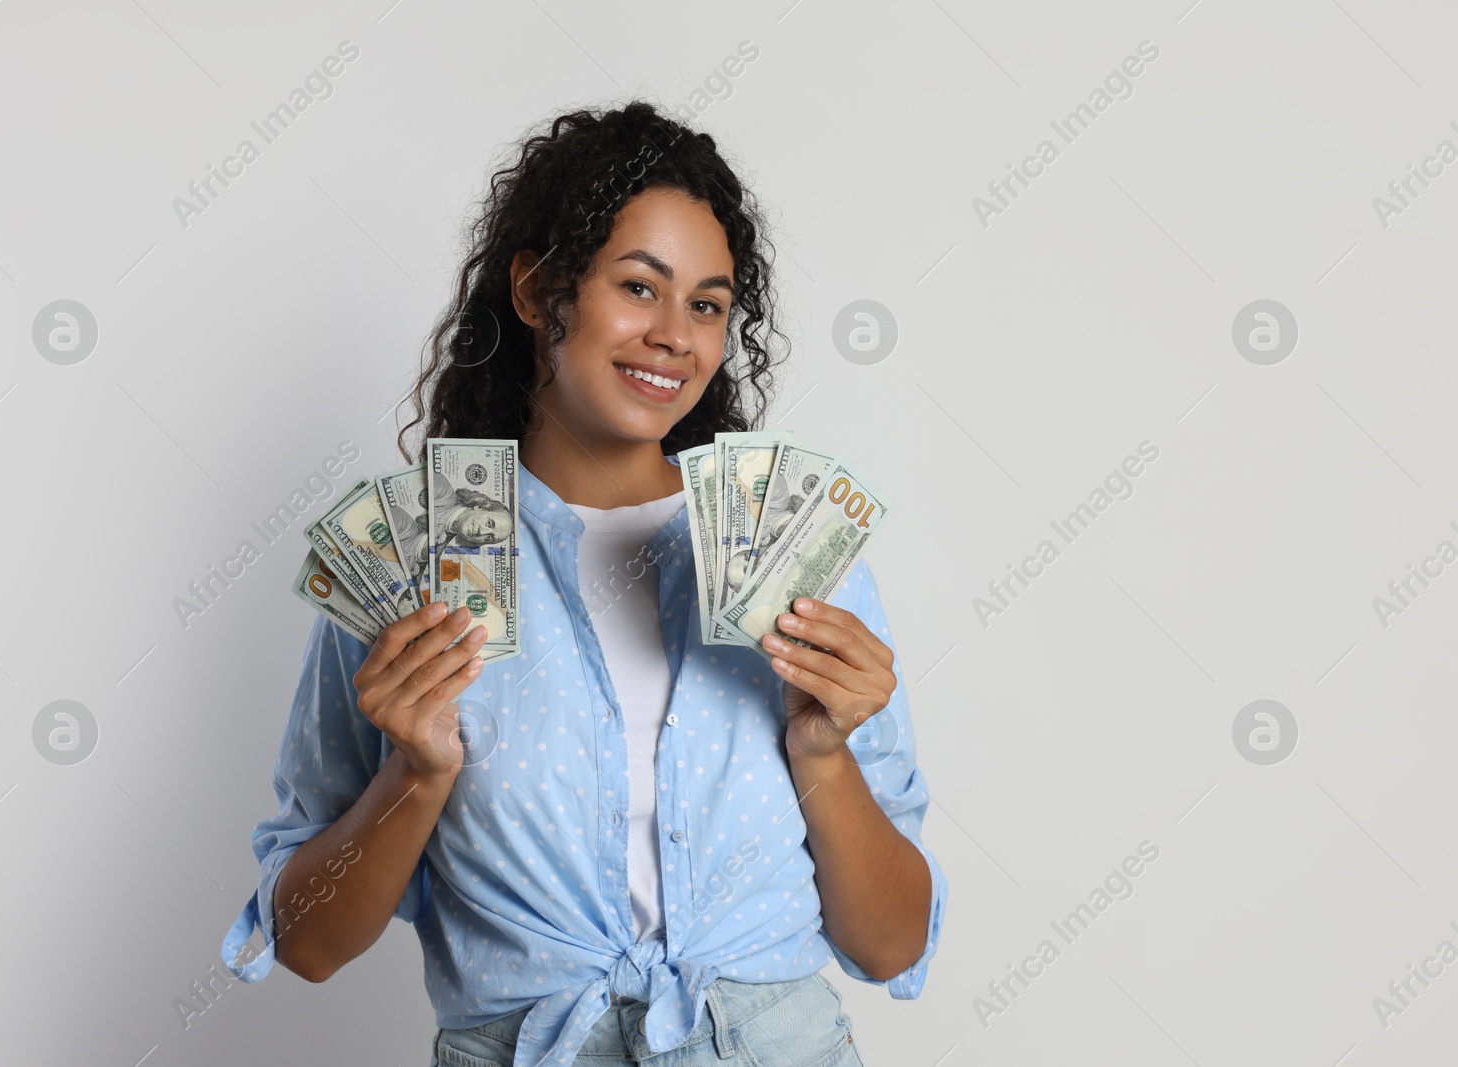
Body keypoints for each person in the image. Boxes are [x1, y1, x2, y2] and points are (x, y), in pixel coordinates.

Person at [220, 100, 948, 1067]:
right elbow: (308, 943)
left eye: (707, 305)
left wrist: (821, 754)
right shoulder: (419, 564)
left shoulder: (795, 561)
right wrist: (413, 772)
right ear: (536, 289)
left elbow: (890, 941)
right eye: (638, 287)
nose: (675, 336)